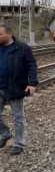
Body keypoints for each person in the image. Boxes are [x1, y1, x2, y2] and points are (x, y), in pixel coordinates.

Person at [0, 25, 38, 155]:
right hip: (0, 87)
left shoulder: (22, 48)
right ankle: (5, 134)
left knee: (18, 117)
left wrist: (32, 83)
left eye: (0, 34)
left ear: (9, 34)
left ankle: (19, 144)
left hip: (15, 87)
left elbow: (32, 65)